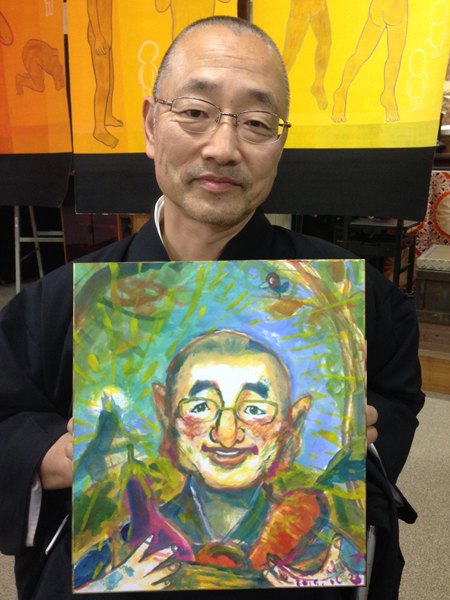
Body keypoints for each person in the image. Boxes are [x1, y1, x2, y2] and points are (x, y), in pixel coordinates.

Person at [0, 15, 423, 600]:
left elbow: (397, 401)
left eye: (257, 123)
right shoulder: (58, 302)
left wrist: (364, 437)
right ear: (151, 125)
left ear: (280, 145)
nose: (223, 148)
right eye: (195, 112)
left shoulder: (355, 299)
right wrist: (45, 457)